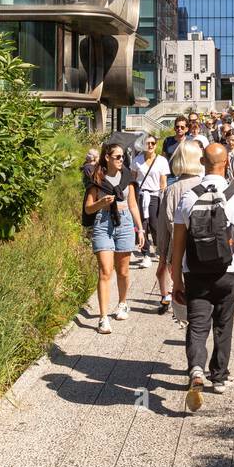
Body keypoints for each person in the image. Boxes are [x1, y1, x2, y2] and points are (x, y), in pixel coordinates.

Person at [171, 142, 234, 410]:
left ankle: (196, 369)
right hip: (228, 272)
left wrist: (176, 279)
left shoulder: (188, 197)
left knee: (197, 325)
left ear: (202, 163)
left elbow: (178, 243)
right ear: (227, 161)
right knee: (223, 323)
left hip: (196, 272)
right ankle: (219, 377)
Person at [83, 141, 145, 334]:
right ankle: (102, 318)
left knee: (124, 271)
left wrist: (140, 229)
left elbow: (133, 204)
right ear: (107, 158)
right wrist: (101, 203)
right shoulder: (97, 178)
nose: (121, 160)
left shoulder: (126, 176)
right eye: (117, 157)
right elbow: (88, 208)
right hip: (103, 223)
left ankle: (122, 303)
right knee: (105, 271)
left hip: (125, 223)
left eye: (122, 157)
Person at [154, 137, 205, 313]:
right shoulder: (207, 185)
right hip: (206, 248)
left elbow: (163, 230)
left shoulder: (171, 190)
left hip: (180, 251)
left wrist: (163, 254)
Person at [133, 135, 170, 268]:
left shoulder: (161, 161)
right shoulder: (137, 160)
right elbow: (133, 179)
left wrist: (163, 197)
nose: (150, 145)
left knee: (155, 224)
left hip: (155, 195)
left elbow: (163, 182)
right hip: (141, 194)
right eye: (147, 143)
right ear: (143, 144)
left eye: (153, 143)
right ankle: (145, 254)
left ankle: (159, 248)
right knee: (142, 225)